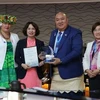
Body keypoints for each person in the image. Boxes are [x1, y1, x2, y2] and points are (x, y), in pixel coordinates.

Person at [48, 12, 84, 98]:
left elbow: (77, 51)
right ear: (55, 22)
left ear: (67, 20)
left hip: (72, 76)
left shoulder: (75, 32)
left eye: (62, 19)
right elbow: (51, 50)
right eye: (57, 20)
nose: (60, 21)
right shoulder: (53, 33)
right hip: (56, 75)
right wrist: (45, 56)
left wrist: (61, 60)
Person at [15, 21, 45, 88]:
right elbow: (16, 57)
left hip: (36, 72)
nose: (31, 31)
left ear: (36, 30)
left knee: (36, 94)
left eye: (33, 29)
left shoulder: (40, 43)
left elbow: (43, 57)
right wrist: (22, 65)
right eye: (29, 29)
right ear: (26, 30)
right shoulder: (20, 43)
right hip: (23, 72)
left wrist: (42, 62)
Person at [0, 14, 19, 88]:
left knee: (13, 88)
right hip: (1, 67)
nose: (7, 25)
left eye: (9, 23)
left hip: (13, 66)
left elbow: (19, 51)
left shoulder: (15, 36)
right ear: (1, 24)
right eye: (5, 23)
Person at [83, 22, 100, 98]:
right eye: (95, 30)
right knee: (94, 97)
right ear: (93, 32)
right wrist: (87, 70)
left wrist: (98, 70)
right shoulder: (90, 44)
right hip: (92, 76)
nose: (97, 32)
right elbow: (85, 58)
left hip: (98, 72)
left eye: (99, 29)